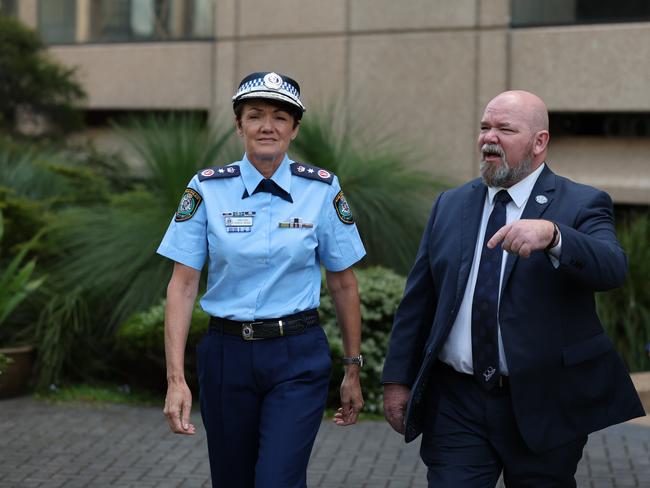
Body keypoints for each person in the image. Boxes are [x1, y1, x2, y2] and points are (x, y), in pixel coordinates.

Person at [381, 90, 645, 487]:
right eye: (485, 127)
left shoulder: (582, 202)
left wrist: (555, 235)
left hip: (545, 400)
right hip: (457, 401)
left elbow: (612, 268)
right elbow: (419, 301)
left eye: (505, 128)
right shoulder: (450, 205)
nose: (490, 137)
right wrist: (397, 380)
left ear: (539, 142)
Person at [157, 71, 366, 488]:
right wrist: (175, 380)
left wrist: (352, 368)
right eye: (255, 115)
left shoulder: (322, 190)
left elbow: (343, 284)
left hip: (297, 356)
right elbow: (182, 286)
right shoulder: (206, 189)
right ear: (239, 125)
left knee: (277, 480)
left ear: (294, 129)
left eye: (279, 117)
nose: (267, 126)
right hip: (226, 356)